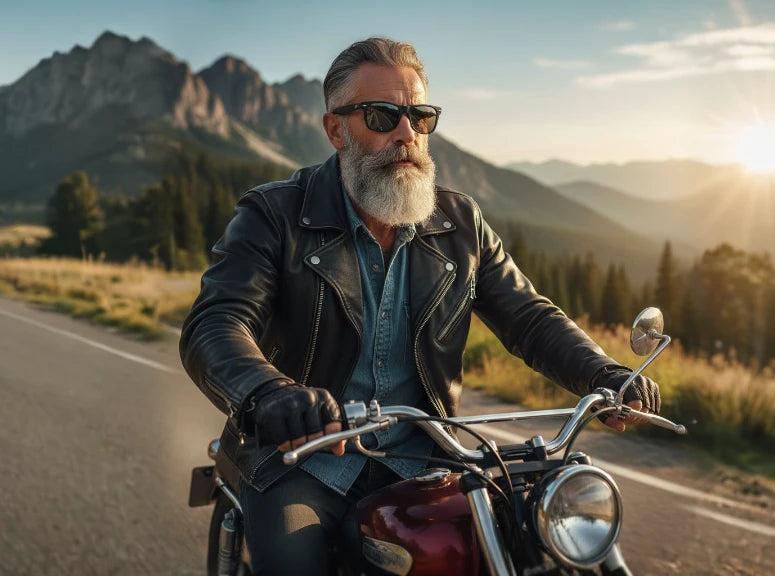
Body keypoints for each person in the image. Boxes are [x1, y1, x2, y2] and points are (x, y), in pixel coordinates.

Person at [178, 37, 662, 575]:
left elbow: (528, 317)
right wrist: (271, 393)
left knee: (525, 544)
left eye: (420, 116)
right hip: (302, 459)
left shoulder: (460, 223)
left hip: (426, 459)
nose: (407, 133)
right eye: (382, 116)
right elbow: (217, 323)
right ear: (336, 130)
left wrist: (604, 373)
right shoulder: (275, 215)